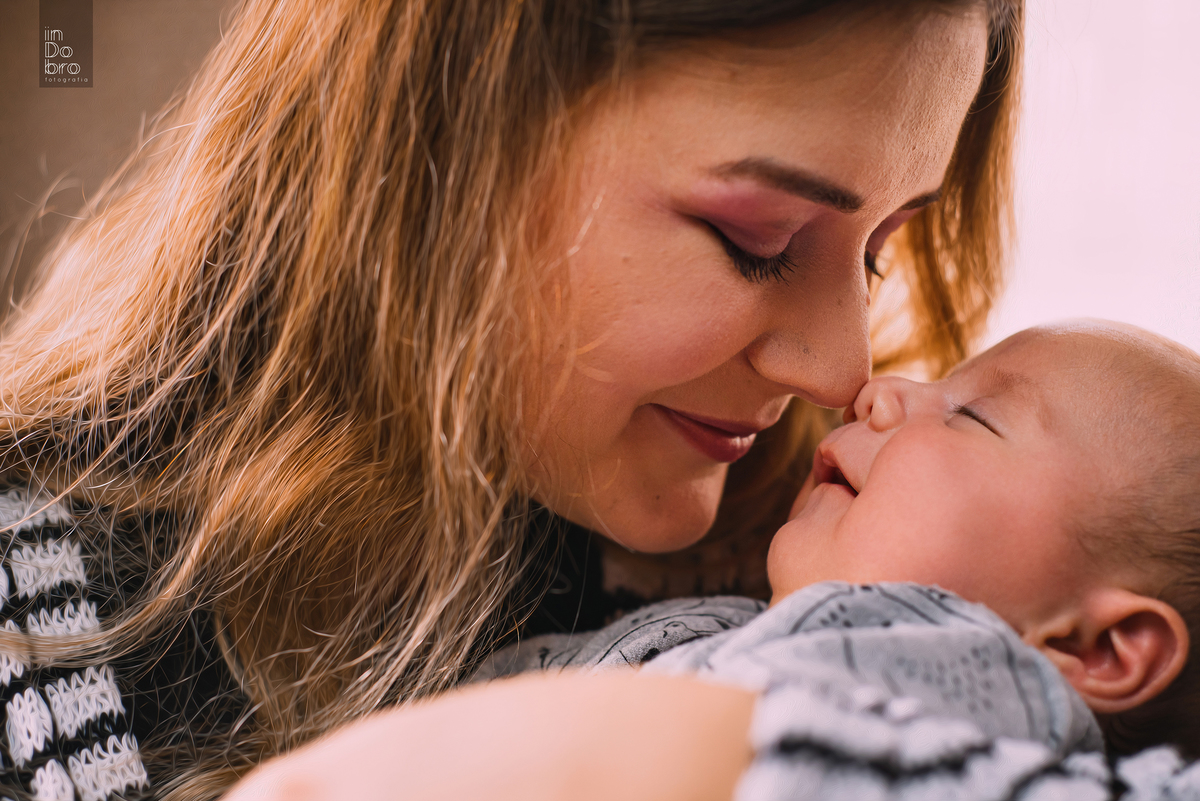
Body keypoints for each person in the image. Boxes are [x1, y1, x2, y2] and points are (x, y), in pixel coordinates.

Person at [0, 0, 1020, 798]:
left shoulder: (858, 578)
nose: (846, 373)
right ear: (438, 151)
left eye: (882, 253)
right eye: (757, 240)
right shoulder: (34, 629)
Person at [224, 321, 1200, 801]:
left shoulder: (970, 668)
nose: (884, 391)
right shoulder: (769, 626)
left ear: (1103, 651)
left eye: (977, 415)